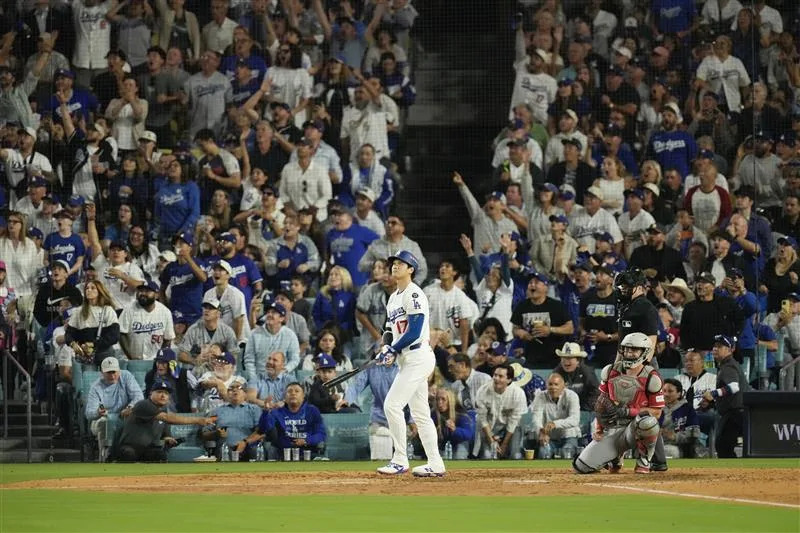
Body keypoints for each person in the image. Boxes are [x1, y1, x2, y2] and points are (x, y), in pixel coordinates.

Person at [374, 250, 446, 477]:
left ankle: (399, 459)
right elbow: (389, 329)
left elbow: (414, 331)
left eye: (400, 263)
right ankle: (436, 463)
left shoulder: (414, 294)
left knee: (392, 405)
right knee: (421, 413)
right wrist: (386, 346)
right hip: (407, 359)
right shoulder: (394, 297)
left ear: (411, 269)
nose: (394, 266)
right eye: (393, 263)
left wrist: (393, 349)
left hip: (418, 356)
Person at [572, 333, 664, 474]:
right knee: (582, 467)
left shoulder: (652, 377)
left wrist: (628, 411)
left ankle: (644, 459)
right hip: (613, 426)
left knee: (648, 422)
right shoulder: (609, 371)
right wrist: (598, 429)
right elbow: (601, 403)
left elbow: (657, 412)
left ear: (644, 352)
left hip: (635, 427)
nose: (629, 353)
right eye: (626, 349)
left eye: (634, 350)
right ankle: (616, 457)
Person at [116, 380, 211, 462]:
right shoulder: (143, 405)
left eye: (166, 393)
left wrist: (168, 439)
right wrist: (197, 420)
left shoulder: (164, 411)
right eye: (159, 392)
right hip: (130, 447)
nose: (163, 395)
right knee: (129, 454)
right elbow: (167, 418)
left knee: (159, 455)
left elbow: (165, 434)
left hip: (148, 449)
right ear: (151, 393)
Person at [242, 382, 326, 460]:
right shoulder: (277, 412)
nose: (293, 393)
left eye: (297, 391)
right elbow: (263, 429)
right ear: (285, 397)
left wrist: (306, 440)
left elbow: (321, 434)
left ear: (303, 395)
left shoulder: (312, 410)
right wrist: (266, 412)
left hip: (308, 452)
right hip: (283, 454)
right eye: (289, 391)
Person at [84, 357, 144, 461]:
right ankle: (105, 457)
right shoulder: (96, 387)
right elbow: (89, 414)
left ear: (119, 370)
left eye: (114, 372)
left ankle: (134, 456)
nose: (112, 376)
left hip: (125, 416)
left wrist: (130, 407)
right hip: (103, 418)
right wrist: (98, 412)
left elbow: (139, 396)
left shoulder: (126, 376)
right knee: (104, 423)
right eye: (108, 373)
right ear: (102, 373)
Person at [511, 272, 574, 368]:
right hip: (531, 358)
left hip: (554, 360)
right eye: (530, 283)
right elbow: (515, 329)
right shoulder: (522, 306)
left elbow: (570, 328)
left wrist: (550, 330)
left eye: (536, 282)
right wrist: (522, 333)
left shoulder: (556, 306)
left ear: (546, 287)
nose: (532, 285)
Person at [701, 335, 746, 458]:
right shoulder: (726, 365)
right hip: (735, 412)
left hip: (735, 413)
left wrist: (713, 394)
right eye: (714, 346)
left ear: (731, 349)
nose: (715, 349)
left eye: (720, 346)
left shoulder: (728, 366)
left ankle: (733, 474)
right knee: (724, 446)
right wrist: (711, 402)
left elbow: (734, 387)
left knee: (723, 446)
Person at [474, 363, 527, 460]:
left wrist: (504, 444)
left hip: (511, 429)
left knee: (515, 456)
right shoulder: (483, 391)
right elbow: (483, 419)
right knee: (487, 456)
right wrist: (492, 441)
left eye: (501, 376)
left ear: (509, 380)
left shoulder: (518, 393)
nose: (496, 378)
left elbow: (514, 421)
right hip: (489, 428)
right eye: (495, 375)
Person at [203, 378, 262, 461]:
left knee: (255, 450)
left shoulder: (254, 409)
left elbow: (261, 432)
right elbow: (204, 434)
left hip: (249, 446)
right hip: (225, 448)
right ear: (227, 394)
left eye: (238, 387)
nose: (234, 390)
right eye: (231, 389)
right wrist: (216, 433)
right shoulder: (217, 411)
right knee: (223, 450)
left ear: (245, 393)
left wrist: (245, 442)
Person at [64, 281, 120, 365]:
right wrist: (73, 344)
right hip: (84, 356)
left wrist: (93, 344)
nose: (89, 290)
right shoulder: (78, 311)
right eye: (87, 288)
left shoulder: (108, 310)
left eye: (93, 288)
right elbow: (69, 333)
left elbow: (114, 336)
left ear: (100, 291)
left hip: (104, 353)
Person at [243, 302, 300, 382]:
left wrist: (285, 370)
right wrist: (254, 379)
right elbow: (249, 360)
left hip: (283, 378)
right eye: (268, 312)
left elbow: (295, 359)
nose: (269, 314)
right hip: (260, 378)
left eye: (274, 313)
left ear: (281, 318)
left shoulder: (290, 335)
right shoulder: (254, 334)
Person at [528, 373, 581, 459]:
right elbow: (536, 417)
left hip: (569, 436)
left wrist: (555, 424)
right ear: (546, 385)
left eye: (556, 384)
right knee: (543, 453)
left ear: (563, 386)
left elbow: (575, 419)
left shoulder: (572, 396)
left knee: (566, 454)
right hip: (549, 438)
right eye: (550, 384)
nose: (553, 387)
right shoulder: (540, 396)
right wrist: (541, 431)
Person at [119, 281, 175, 360]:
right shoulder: (128, 309)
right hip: (131, 359)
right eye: (141, 291)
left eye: (147, 291)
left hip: (155, 360)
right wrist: (130, 357)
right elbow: (121, 334)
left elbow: (168, 339)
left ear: (157, 295)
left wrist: (161, 358)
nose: (143, 293)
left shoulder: (165, 312)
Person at [578, 265, 619, 368]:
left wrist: (607, 337)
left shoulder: (619, 300)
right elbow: (581, 320)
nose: (597, 276)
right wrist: (582, 331)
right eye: (597, 274)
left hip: (612, 351)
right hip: (590, 349)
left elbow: (627, 330)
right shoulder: (587, 297)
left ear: (611, 280)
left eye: (602, 274)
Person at [203, 259, 250, 344]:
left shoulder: (236, 294)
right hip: (219, 341)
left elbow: (238, 320)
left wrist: (233, 344)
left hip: (239, 340)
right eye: (215, 270)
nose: (216, 272)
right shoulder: (208, 294)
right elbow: (207, 319)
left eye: (220, 270)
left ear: (228, 275)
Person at [553, 342, 600, 411]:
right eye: (563, 358)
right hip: (564, 409)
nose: (566, 362)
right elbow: (551, 394)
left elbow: (596, 392)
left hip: (585, 408)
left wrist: (586, 407)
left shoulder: (587, 372)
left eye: (569, 358)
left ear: (578, 361)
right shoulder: (557, 372)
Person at [660, 378, 701, 458]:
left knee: (671, 451)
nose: (666, 394)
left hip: (679, 447)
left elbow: (694, 434)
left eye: (670, 391)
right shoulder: (655, 408)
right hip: (655, 445)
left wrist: (675, 436)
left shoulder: (687, 409)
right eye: (664, 391)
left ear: (679, 394)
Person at [431, 388, 475, 460]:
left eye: (443, 399)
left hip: (459, 443)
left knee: (459, 453)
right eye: (438, 399)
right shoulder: (433, 414)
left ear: (450, 401)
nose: (440, 402)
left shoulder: (461, 413)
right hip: (442, 445)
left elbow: (469, 434)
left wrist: (455, 430)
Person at [144, 348, 192, 413]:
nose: (160, 366)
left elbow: (197, 389)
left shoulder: (183, 374)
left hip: (179, 413)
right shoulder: (150, 375)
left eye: (164, 363)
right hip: (156, 414)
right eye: (158, 362)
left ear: (172, 364)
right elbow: (147, 395)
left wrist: (193, 405)